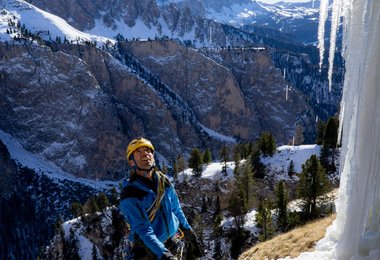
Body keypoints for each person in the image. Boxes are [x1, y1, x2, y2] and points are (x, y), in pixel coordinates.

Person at [119, 137, 203, 259]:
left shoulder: (163, 181)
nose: (145, 155)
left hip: (172, 241)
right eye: (138, 152)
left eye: (148, 151)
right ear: (131, 162)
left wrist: (189, 232)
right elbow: (144, 231)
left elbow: (176, 209)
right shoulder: (130, 195)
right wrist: (164, 254)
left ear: (153, 156)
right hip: (149, 250)